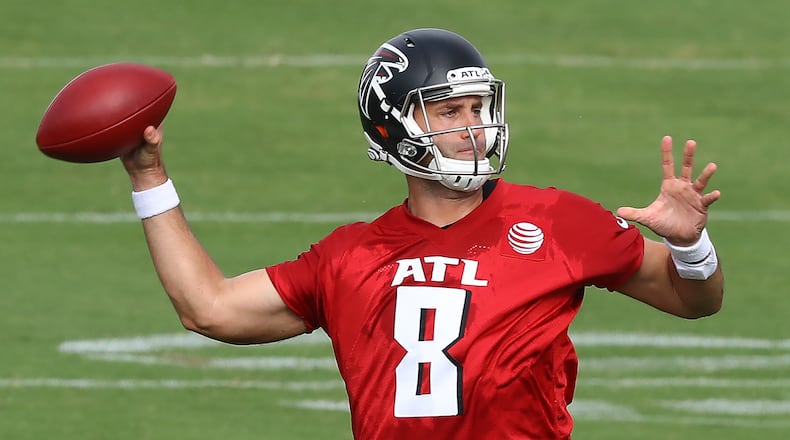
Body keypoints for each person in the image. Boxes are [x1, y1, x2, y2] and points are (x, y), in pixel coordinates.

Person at [120, 28, 724, 439]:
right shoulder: (350, 256)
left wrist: (689, 244)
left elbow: (694, 299)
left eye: (479, 108)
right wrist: (148, 175)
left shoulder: (557, 220)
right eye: (448, 111)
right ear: (392, 125)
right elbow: (209, 309)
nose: (473, 128)